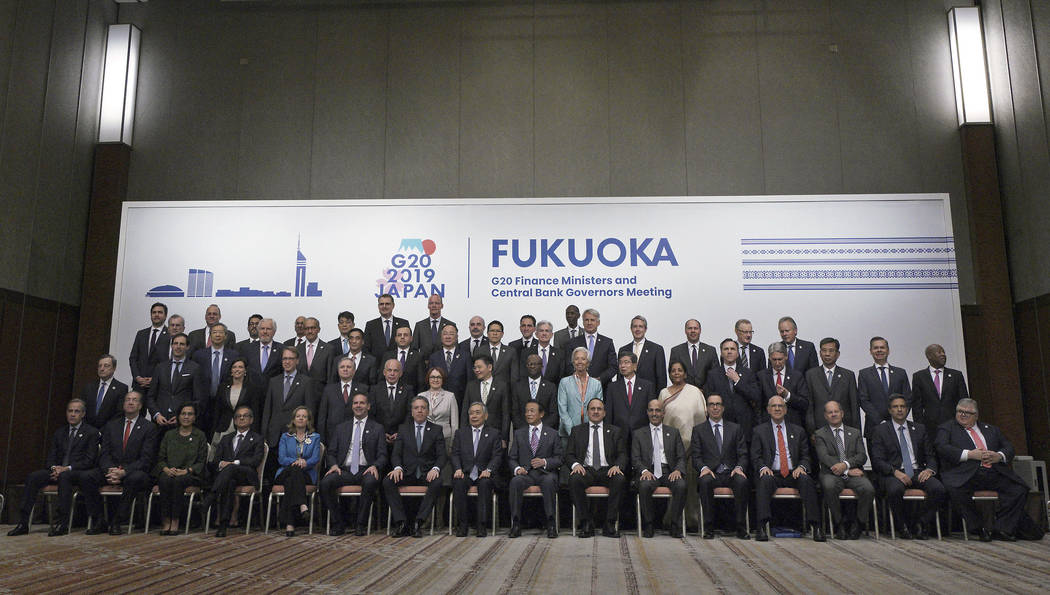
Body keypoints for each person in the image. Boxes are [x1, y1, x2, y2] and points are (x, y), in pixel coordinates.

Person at [935, 398, 1031, 541]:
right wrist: (970, 454)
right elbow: (941, 447)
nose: (963, 415)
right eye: (960, 411)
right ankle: (979, 528)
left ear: (976, 415)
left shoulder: (991, 429)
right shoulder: (947, 428)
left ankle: (1002, 529)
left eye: (968, 412)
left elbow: (1009, 447)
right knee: (955, 490)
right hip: (966, 474)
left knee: (1019, 489)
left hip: (993, 472)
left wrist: (999, 456)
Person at [8, 399, 100, 537]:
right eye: (70, 411)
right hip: (57, 471)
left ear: (83, 414)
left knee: (65, 477)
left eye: (76, 411)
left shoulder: (91, 433)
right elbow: (51, 457)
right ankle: (23, 523)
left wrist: (66, 469)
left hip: (77, 473)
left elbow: (89, 460)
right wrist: (54, 468)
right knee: (33, 477)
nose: (72, 414)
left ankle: (62, 523)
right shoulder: (60, 432)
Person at [869, 395, 945, 540]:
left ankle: (921, 523)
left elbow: (930, 455)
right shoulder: (880, 430)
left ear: (907, 409)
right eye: (896, 407)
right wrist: (895, 472)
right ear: (890, 410)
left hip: (918, 471)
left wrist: (929, 470)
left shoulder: (920, 429)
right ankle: (902, 525)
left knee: (938, 489)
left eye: (902, 406)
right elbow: (877, 460)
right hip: (894, 473)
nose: (899, 409)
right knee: (895, 490)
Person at [82, 391, 158, 535]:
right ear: (123, 404)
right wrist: (110, 470)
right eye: (128, 400)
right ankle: (99, 520)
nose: (130, 402)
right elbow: (104, 453)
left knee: (134, 479)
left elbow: (146, 459)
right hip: (111, 469)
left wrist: (124, 472)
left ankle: (117, 521)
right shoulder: (111, 426)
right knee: (87, 477)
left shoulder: (149, 428)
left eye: (134, 400)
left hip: (135, 472)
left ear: (140, 405)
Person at [751, 396, 824, 542]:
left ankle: (816, 527)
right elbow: (755, 456)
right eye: (774, 406)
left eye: (780, 406)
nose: (777, 409)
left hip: (793, 473)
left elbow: (806, 456)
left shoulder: (798, 431)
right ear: (768, 409)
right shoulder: (759, 431)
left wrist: (802, 467)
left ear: (785, 410)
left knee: (806, 480)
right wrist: (763, 467)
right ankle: (761, 527)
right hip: (772, 473)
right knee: (764, 480)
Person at [320, 393, 386, 536]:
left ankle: (360, 524)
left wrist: (375, 466)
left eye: (362, 403)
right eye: (355, 403)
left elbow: (382, 455)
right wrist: (333, 465)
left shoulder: (377, 428)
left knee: (370, 482)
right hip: (343, 470)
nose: (358, 406)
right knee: (325, 483)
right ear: (352, 406)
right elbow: (331, 452)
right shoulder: (341, 428)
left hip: (366, 469)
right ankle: (338, 523)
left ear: (368, 406)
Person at [383, 397, 447, 538]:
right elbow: (396, 454)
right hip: (406, 473)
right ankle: (401, 522)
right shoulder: (403, 429)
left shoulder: (436, 429)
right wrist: (398, 467)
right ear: (412, 412)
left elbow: (442, 456)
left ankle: (419, 521)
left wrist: (435, 469)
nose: (419, 410)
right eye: (416, 408)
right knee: (388, 481)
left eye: (423, 407)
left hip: (426, 473)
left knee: (437, 482)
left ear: (428, 411)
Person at [812, 400, 874, 539]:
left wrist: (845, 465)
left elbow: (862, 456)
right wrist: (847, 470)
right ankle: (838, 524)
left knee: (868, 488)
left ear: (842, 413)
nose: (834, 414)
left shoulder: (855, 432)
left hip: (854, 474)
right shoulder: (820, 434)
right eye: (830, 412)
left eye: (836, 411)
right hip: (830, 474)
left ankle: (859, 524)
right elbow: (824, 457)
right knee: (829, 486)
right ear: (825, 416)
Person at [691, 394, 750, 539]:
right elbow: (696, 456)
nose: (715, 407)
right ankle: (709, 527)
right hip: (711, 473)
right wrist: (703, 468)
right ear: (707, 409)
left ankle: (741, 527)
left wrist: (739, 468)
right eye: (711, 404)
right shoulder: (699, 430)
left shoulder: (735, 428)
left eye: (718, 404)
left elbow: (743, 454)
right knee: (704, 481)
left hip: (731, 473)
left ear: (723, 408)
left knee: (742, 481)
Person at [565, 398, 627, 538]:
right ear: (587, 412)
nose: (596, 411)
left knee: (620, 479)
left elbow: (622, 454)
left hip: (607, 470)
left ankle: (610, 523)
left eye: (599, 409)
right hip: (586, 470)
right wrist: (576, 465)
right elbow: (569, 454)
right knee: (574, 479)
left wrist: (617, 466)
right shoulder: (577, 431)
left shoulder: (615, 431)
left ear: (604, 413)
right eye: (592, 409)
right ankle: (586, 522)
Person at [659, 360, 707, 530]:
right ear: (669, 374)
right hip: (671, 448)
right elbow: (660, 420)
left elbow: (701, 419)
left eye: (680, 370)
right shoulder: (664, 393)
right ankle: (672, 520)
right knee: (675, 484)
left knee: (691, 486)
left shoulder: (694, 392)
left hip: (691, 448)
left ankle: (692, 520)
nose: (677, 373)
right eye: (673, 371)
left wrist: (695, 444)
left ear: (685, 374)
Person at [204, 405, 265, 537]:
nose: (241, 418)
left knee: (230, 469)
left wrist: (234, 463)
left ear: (251, 420)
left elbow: (255, 461)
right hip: (227, 476)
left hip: (247, 475)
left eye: (245, 416)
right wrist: (221, 463)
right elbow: (215, 461)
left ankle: (212, 495)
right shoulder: (226, 438)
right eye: (238, 416)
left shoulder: (258, 438)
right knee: (229, 482)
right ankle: (223, 525)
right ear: (234, 420)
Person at [508, 401, 562, 538]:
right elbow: (512, 458)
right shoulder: (519, 433)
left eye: (532, 411)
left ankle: (550, 523)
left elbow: (560, 458)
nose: (528, 414)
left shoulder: (553, 433)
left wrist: (544, 462)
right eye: (526, 411)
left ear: (541, 414)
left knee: (549, 481)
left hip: (545, 473)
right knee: (515, 481)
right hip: (526, 474)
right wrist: (517, 468)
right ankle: (516, 523)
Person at [633, 399, 686, 538]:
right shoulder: (639, 433)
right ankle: (649, 525)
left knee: (681, 485)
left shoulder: (673, 432)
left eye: (657, 410)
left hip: (669, 472)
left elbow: (681, 456)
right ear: (647, 412)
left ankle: (674, 525)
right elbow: (635, 458)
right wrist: (644, 471)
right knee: (644, 485)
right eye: (651, 410)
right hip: (649, 471)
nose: (654, 413)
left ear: (663, 413)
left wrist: (678, 470)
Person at [152, 402, 207, 535]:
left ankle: (175, 520)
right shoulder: (169, 435)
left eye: (190, 414)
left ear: (194, 417)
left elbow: (201, 461)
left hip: (191, 474)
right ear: (178, 416)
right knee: (165, 480)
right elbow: (160, 458)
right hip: (169, 472)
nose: (186, 417)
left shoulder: (200, 436)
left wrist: (187, 471)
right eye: (183, 414)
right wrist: (165, 469)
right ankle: (166, 520)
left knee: (178, 481)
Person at [451, 402, 504, 537]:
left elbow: (497, 455)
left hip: (485, 473)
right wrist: (458, 468)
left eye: (477, 412)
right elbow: (455, 453)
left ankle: (482, 525)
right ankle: (463, 525)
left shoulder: (493, 433)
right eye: (471, 413)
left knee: (485, 483)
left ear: (485, 416)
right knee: (458, 483)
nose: (474, 416)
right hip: (466, 472)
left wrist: (489, 470)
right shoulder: (461, 433)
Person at [274, 406, 321, 537]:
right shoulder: (285, 436)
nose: (301, 418)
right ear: (293, 420)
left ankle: (289, 523)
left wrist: (305, 463)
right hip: (285, 471)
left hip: (306, 473)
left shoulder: (315, 437)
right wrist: (297, 461)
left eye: (304, 416)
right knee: (294, 470)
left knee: (291, 482)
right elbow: (282, 458)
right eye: (298, 416)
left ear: (308, 420)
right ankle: (302, 504)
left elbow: (315, 458)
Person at [146, 333, 206, 434]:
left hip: (183, 423)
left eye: (182, 344)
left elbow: (198, 399)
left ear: (187, 347)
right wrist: (156, 414)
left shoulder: (195, 368)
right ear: (171, 345)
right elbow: (151, 396)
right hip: (160, 421)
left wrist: (183, 417)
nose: (178, 346)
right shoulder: (160, 367)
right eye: (175, 343)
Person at [261, 347, 319, 450]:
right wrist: (264, 434)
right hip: (273, 436)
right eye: (284, 359)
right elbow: (267, 410)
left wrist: (307, 433)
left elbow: (310, 411)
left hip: (296, 436)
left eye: (291, 359)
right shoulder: (274, 381)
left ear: (297, 361)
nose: (287, 362)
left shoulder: (306, 382)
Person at [858, 336, 911, 439]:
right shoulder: (864, 374)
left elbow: (908, 398)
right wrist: (880, 421)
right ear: (871, 351)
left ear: (888, 350)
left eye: (882, 347)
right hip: (874, 427)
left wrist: (898, 418)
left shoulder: (900, 373)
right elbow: (863, 400)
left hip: (899, 426)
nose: (879, 350)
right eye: (875, 348)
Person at [703, 338, 760, 436]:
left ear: (738, 353)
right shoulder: (713, 374)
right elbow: (709, 398)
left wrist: (738, 381)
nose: (729, 352)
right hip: (722, 425)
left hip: (745, 426)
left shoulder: (748, 373)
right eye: (726, 349)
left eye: (732, 349)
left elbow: (755, 396)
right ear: (721, 353)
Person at [190, 323, 239, 428]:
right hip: (203, 403)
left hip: (225, 403)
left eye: (221, 332)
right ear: (210, 335)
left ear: (225, 336)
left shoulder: (233, 355)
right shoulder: (199, 355)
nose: (217, 335)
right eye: (214, 332)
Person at [804, 338, 859, 431]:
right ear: (820, 353)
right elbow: (809, 406)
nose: (827, 354)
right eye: (824, 350)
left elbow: (854, 406)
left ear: (838, 354)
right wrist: (811, 431)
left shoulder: (848, 375)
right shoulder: (810, 375)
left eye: (831, 350)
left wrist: (856, 432)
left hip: (845, 428)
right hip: (820, 429)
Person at [912, 344, 970, 432]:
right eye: (939, 352)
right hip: (930, 427)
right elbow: (917, 406)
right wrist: (920, 428)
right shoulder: (919, 376)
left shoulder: (956, 375)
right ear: (929, 356)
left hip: (955, 425)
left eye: (944, 352)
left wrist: (964, 422)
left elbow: (964, 401)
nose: (943, 354)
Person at [211, 357, 264, 449]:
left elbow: (255, 412)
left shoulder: (252, 389)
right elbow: (217, 410)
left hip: (243, 429)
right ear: (231, 371)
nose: (237, 369)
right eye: (234, 367)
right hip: (224, 428)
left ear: (245, 371)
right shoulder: (223, 387)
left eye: (240, 367)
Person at [317, 356, 370, 442]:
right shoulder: (329, 389)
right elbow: (322, 417)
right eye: (342, 367)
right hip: (332, 436)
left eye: (349, 367)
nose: (345, 369)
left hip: (356, 436)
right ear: (338, 370)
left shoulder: (363, 388)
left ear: (354, 370)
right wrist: (322, 440)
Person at [756, 342, 809, 428]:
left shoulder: (797, 376)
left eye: (780, 359)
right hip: (768, 426)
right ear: (769, 358)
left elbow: (804, 403)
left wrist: (787, 395)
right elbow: (758, 405)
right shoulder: (761, 376)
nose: (777, 363)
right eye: (774, 359)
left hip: (792, 425)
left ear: (786, 357)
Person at [461, 354, 510, 447]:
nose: (477, 370)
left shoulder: (502, 386)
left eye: (479, 367)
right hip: (474, 434)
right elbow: (465, 412)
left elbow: (506, 414)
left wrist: (504, 438)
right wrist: (464, 434)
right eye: (475, 368)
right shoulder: (471, 386)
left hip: (496, 435)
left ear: (490, 367)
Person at [605, 352, 656, 438]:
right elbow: (609, 413)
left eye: (626, 362)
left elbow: (651, 411)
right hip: (619, 434)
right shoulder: (612, 387)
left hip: (642, 434)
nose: (622, 365)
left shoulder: (647, 386)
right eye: (620, 363)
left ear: (635, 366)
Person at [557, 347, 604, 439]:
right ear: (573, 362)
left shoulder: (596, 384)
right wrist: (572, 432)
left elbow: (598, 409)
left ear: (588, 363)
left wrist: (590, 429)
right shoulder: (564, 382)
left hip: (590, 432)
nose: (579, 361)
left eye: (583, 359)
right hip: (568, 433)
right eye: (576, 358)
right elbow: (562, 410)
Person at [563, 309, 616, 387]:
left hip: (602, 387)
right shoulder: (572, 342)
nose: (589, 323)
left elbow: (613, 367)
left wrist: (600, 379)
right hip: (577, 386)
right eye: (586, 320)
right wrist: (580, 378)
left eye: (592, 320)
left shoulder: (607, 342)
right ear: (583, 322)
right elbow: (568, 365)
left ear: (598, 322)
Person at [511, 354, 558, 431]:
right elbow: (515, 413)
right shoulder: (517, 386)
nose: (532, 366)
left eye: (536, 364)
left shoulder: (551, 387)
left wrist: (541, 429)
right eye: (530, 364)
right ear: (526, 366)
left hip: (544, 433)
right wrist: (526, 430)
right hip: (523, 432)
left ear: (542, 366)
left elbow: (553, 414)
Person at [370, 359, 412, 444]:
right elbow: (371, 413)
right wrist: (381, 432)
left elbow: (410, 413)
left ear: (400, 374)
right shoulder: (375, 390)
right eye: (389, 370)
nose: (392, 374)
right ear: (384, 372)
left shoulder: (408, 390)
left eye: (395, 371)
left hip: (401, 437)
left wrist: (401, 433)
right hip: (379, 437)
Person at [618, 315, 667, 389]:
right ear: (631, 329)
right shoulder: (623, 350)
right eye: (635, 326)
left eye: (640, 326)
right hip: (627, 394)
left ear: (645, 329)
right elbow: (620, 376)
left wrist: (657, 399)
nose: (637, 329)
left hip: (649, 395)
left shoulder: (656, 349)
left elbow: (661, 378)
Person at [82, 354, 129, 430]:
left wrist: (103, 431)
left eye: (106, 366)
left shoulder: (121, 389)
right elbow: (82, 410)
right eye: (100, 366)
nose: (102, 369)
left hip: (108, 433)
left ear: (114, 368)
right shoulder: (89, 387)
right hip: (88, 432)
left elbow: (119, 414)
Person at [668, 319, 719, 389]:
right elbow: (672, 374)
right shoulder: (676, 351)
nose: (693, 331)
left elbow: (715, 374)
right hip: (683, 394)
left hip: (705, 394)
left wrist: (704, 390)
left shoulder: (710, 351)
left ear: (700, 331)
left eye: (695, 328)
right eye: (690, 328)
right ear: (685, 331)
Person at [129, 302, 168, 392]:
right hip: (139, 384)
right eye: (154, 312)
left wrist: (155, 378)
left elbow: (168, 361)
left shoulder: (170, 335)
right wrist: (137, 377)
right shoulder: (141, 334)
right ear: (151, 315)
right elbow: (133, 358)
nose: (156, 315)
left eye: (160, 312)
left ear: (165, 316)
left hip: (159, 386)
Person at [420, 366, 459, 451]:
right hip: (425, 438)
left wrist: (452, 444)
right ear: (428, 379)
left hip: (445, 438)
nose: (435, 380)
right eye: (432, 377)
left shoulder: (450, 396)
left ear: (443, 379)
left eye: (438, 377)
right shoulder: (421, 396)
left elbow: (454, 423)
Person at [428, 323, 469, 400]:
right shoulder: (434, 357)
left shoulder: (465, 356)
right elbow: (430, 381)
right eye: (445, 334)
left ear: (456, 337)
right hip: (438, 399)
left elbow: (470, 380)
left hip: (460, 399)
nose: (448, 337)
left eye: (451, 334)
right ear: (441, 337)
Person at [382, 324, 426, 393]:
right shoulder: (387, 355)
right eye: (399, 335)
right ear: (395, 338)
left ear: (411, 338)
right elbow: (381, 378)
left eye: (405, 335)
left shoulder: (418, 356)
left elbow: (421, 381)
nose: (402, 337)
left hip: (412, 396)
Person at [474, 320, 518, 385]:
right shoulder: (479, 351)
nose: (495, 333)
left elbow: (514, 376)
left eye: (498, 331)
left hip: (505, 392)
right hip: (484, 390)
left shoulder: (510, 351)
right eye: (492, 331)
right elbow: (476, 374)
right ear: (487, 333)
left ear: (502, 334)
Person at [297, 317, 333, 391]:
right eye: (307, 328)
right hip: (300, 394)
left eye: (313, 328)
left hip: (320, 395)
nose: (310, 331)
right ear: (304, 330)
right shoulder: (297, 349)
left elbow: (330, 377)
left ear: (318, 329)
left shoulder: (328, 349)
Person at [412, 293, 453, 358]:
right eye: (431, 303)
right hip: (424, 365)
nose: (434, 305)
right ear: (428, 306)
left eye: (437, 303)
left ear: (442, 306)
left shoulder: (450, 325)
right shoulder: (420, 326)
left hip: (444, 365)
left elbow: (454, 348)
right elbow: (414, 349)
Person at [245, 318, 284, 383]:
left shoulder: (282, 349)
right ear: (258, 331)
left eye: (268, 329)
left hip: (274, 391)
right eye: (262, 328)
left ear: (274, 332)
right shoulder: (248, 349)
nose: (265, 331)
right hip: (252, 391)